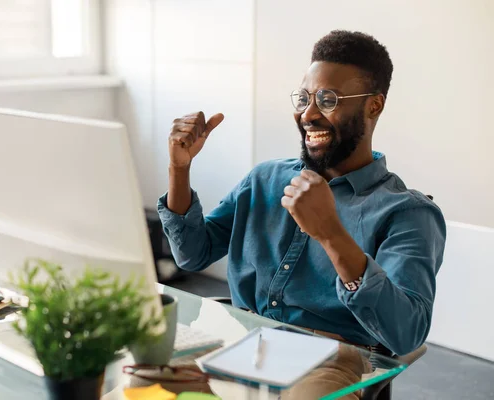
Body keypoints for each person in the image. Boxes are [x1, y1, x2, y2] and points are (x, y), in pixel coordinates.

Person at [157, 29, 446, 397]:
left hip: (330, 358)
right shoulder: (265, 178)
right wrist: (179, 170)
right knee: (142, 377)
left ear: (373, 106)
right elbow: (192, 254)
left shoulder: (407, 213)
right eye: (304, 97)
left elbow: (405, 332)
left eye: (328, 99)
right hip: (243, 340)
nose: (308, 114)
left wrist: (331, 234)